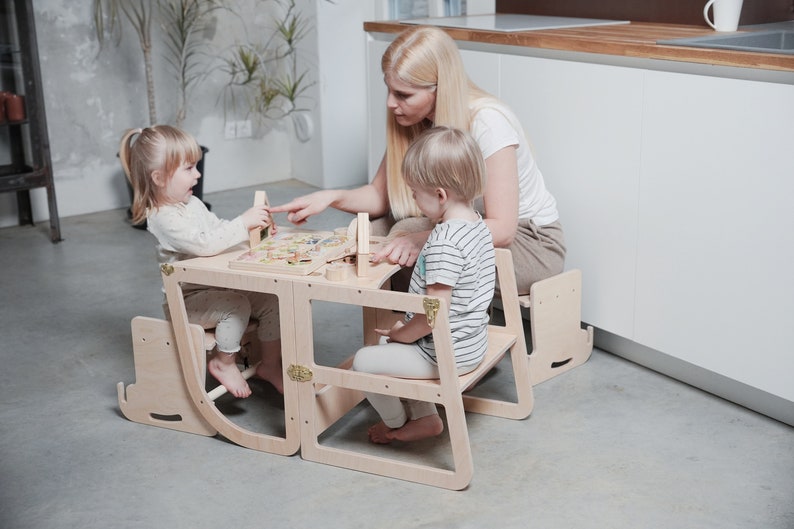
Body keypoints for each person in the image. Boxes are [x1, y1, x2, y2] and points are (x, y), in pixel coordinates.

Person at [270, 25, 564, 295]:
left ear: (439, 88)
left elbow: (502, 228)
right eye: (389, 89)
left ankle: (416, 333)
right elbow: (379, 197)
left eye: (403, 94)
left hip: (528, 245)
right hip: (460, 226)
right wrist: (330, 197)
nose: (390, 103)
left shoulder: (487, 122)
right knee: (365, 235)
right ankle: (389, 327)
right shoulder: (414, 121)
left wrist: (421, 238)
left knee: (404, 236)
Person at [352, 126, 496, 444]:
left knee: (363, 362)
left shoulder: (445, 241)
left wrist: (402, 332)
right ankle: (426, 418)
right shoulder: (476, 224)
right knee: (387, 346)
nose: (414, 201)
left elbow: (434, 314)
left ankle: (396, 423)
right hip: (470, 340)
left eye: (415, 193)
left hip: (447, 353)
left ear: (441, 195)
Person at [119, 125, 283, 398]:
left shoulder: (192, 203)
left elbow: (219, 229)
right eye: (189, 168)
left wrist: (254, 234)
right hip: (188, 301)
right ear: (159, 178)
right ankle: (223, 362)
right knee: (237, 306)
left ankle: (270, 365)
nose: (198, 174)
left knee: (271, 300)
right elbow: (205, 244)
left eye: (196, 166)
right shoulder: (162, 217)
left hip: (217, 287)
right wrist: (243, 222)